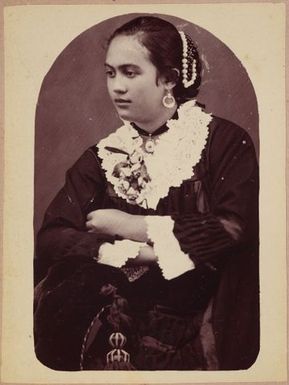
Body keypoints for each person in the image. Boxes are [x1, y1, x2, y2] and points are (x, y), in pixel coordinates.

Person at [34, 16, 259, 371]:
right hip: (117, 331)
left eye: (130, 72)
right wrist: (122, 251)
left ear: (169, 78)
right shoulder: (104, 155)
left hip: (204, 324)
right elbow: (50, 237)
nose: (116, 87)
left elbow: (232, 229)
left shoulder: (222, 141)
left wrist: (130, 224)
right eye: (110, 73)